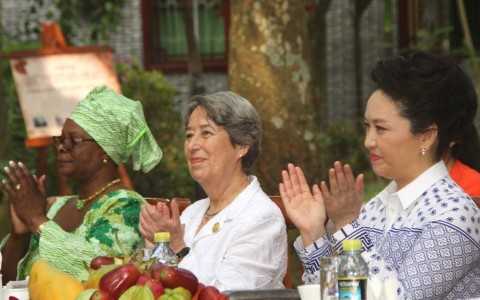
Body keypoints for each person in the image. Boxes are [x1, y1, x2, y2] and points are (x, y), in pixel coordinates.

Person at [280, 52, 480, 299]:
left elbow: (399, 298)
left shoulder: (455, 214)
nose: (368, 141)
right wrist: (313, 233)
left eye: (381, 129)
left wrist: (347, 227)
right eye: (367, 127)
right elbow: (336, 295)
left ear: (426, 136)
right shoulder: (374, 208)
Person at [0, 86, 162, 282]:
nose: (61, 147)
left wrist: (36, 220)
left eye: (74, 140)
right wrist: (20, 234)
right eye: (60, 139)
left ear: (105, 151)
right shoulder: (54, 206)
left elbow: (99, 275)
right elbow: (7, 282)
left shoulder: (128, 207)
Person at [140, 91, 287, 291]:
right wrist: (153, 244)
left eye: (206, 133)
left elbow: (227, 295)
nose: (192, 145)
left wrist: (176, 248)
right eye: (189, 135)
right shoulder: (192, 213)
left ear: (242, 145)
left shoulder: (262, 218)